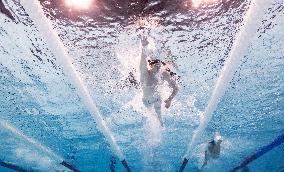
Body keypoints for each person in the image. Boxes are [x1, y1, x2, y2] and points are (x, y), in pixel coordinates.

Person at [139, 35, 179, 126]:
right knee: (147, 115)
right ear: (150, 64)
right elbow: (142, 59)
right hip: (146, 101)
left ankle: (161, 124)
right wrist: (144, 46)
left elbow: (176, 88)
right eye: (155, 62)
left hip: (158, 99)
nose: (158, 65)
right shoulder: (144, 73)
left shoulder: (164, 73)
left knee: (159, 116)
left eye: (159, 62)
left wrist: (169, 99)